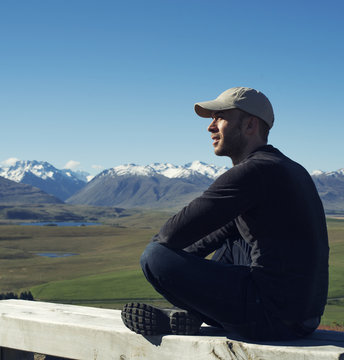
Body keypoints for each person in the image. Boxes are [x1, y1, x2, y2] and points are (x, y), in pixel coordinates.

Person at [121, 87, 329, 341]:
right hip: (303, 317)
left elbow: (169, 236)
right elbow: (214, 234)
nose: (210, 127)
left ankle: (195, 312)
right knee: (235, 238)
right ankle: (196, 312)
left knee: (154, 257)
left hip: (272, 318)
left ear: (250, 125)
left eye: (219, 117)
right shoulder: (288, 168)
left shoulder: (254, 171)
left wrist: (175, 274)